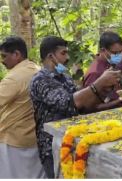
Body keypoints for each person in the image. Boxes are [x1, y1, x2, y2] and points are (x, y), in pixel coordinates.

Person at [30, 36, 122, 178]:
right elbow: (69, 103)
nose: (67, 57)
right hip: (52, 145)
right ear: (50, 56)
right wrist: (99, 84)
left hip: (74, 140)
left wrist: (105, 89)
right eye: (63, 53)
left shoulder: (64, 77)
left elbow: (83, 107)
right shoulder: (40, 80)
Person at [0, 36, 45, 178]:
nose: (2, 61)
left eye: (4, 56)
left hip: (13, 139)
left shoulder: (14, 78)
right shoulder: (37, 70)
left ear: (17, 55)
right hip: (34, 136)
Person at [83, 31, 122, 112]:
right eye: (115, 53)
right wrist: (120, 100)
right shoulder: (95, 73)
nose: (118, 56)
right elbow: (89, 107)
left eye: (120, 52)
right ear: (103, 50)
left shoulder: (110, 64)